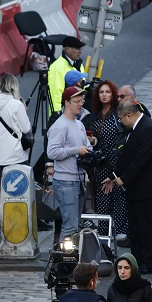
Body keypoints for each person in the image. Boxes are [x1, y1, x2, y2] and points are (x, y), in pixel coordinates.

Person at [104, 100, 152, 274]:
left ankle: (148, 261)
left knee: (145, 227)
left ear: (129, 115)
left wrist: (122, 179)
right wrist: (113, 177)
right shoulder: (132, 129)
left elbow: (140, 159)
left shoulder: (148, 128)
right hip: (135, 188)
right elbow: (125, 156)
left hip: (146, 187)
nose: (120, 122)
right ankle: (136, 259)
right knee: (135, 227)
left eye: (120, 118)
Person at [81, 80, 127, 239]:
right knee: (101, 197)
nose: (104, 95)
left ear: (112, 94)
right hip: (100, 163)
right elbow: (92, 137)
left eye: (107, 92)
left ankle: (121, 231)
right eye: (101, 92)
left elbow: (122, 136)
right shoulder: (94, 115)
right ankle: (103, 233)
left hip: (116, 160)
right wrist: (92, 141)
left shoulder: (117, 113)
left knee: (119, 197)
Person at [47, 86, 92, 241]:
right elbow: (52, 152)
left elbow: (86, 146)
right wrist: (76, 150)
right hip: (66, 182)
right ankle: (62, 263)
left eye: (82, 101)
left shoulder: (79, 125)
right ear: (67, 103)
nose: (81, 104)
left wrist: (88, 151)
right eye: (77, 101)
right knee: (70, 226)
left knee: (75, 225)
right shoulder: (60, 126)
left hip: (78, 181)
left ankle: (71, 261)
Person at [0, 73, 30, 224]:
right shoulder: (16, 104)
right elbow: (26, 128)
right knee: (18, 191)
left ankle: (0, 216)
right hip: (15, 154)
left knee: (3, 187)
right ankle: (14, 221)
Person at [47, 35, 84, 115]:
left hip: (76, 110)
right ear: (67, 49)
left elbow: (82, 86)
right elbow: (55, 93)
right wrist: (56, 114)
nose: (80, 51)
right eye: (77, 48)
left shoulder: (79, 65)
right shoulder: (57, 66)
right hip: (62, 113)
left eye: (80, 49)